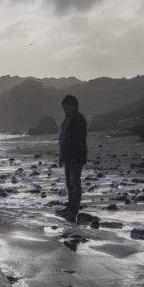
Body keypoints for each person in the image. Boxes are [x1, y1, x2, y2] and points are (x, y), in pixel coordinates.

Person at [56, 94, 87, 222]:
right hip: (67, 156)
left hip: (76, 156)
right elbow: (63, 139)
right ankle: (70, 208)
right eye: (64, 108)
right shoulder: (67, 119)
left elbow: (78, 140)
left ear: (74, 106)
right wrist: (62, 156)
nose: (65, 110)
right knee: (69, 184)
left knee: (75, 184)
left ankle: (73, 211)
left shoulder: (78, 119)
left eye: (67, 107)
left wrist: (73, 155)